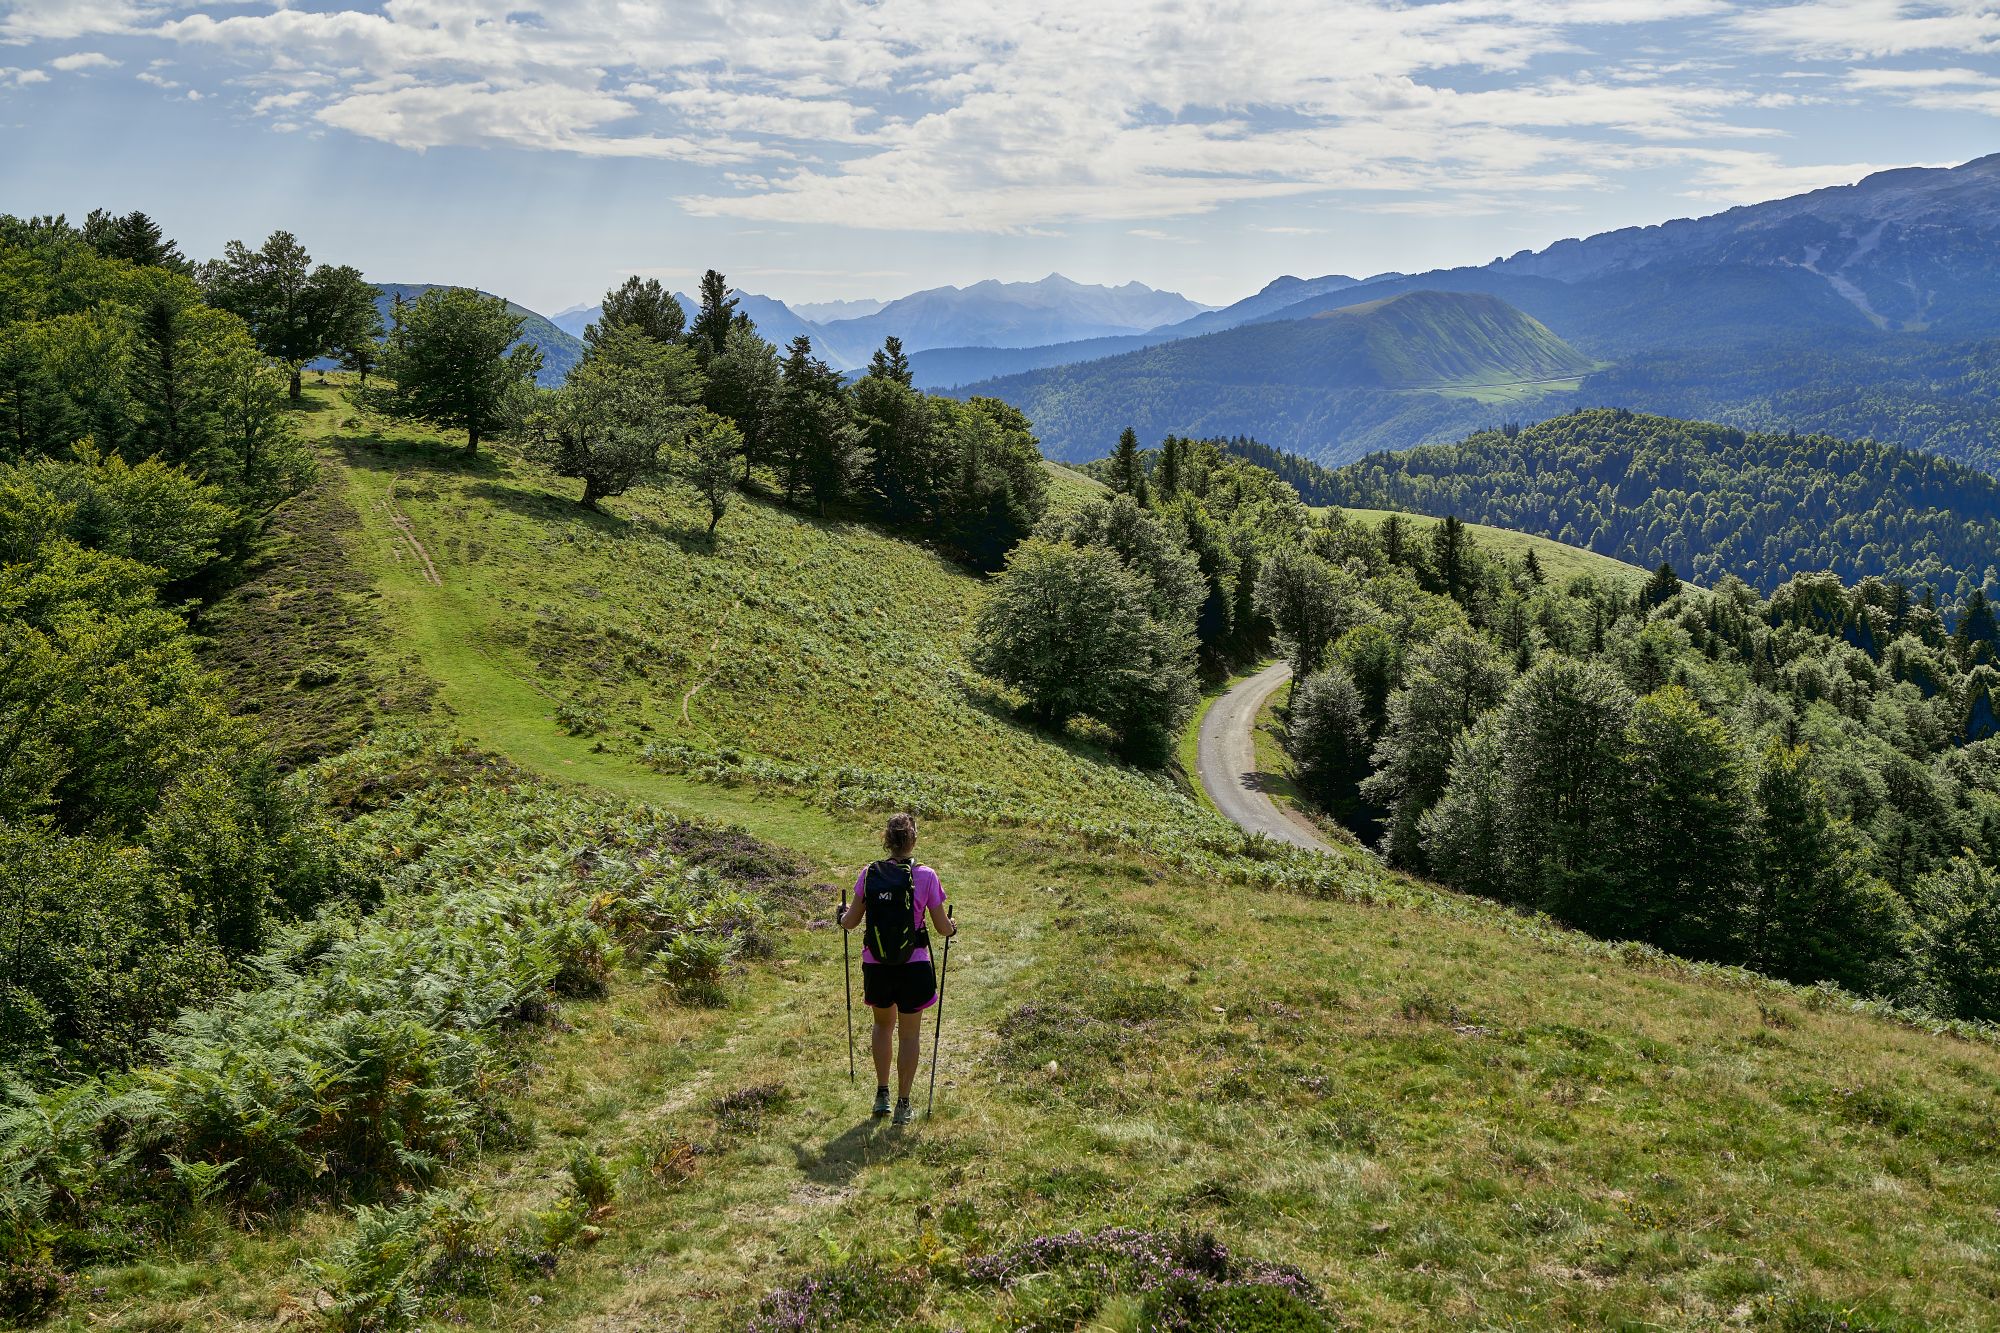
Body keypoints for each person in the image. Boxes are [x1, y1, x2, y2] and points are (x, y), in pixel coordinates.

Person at [840, 812, 956, 1124]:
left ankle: (882, 1094)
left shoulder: (869, 874)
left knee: (882, 1026)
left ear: (887, 840)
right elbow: (942, 928)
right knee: (909, 1034)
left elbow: (850, 922)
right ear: (913, 840)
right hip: (914, 966)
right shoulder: (926, 876)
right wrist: (953, 926)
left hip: (876, 964)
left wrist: (840, 914)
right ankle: (904, 1104)